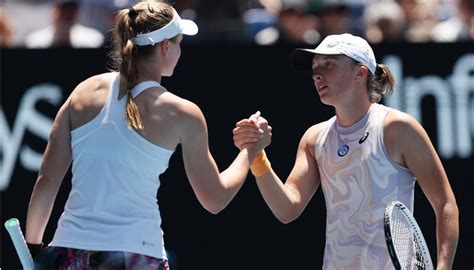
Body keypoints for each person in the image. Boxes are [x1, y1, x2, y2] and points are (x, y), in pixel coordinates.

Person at [24, 1, 271, 269]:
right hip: (138, 254)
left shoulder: (83, 92)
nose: (179, 50)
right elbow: (215, 199)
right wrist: (249, 150)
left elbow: (47, 180)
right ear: (166, 47)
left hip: (69, 252)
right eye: (179, 42)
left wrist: (34, 249)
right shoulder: (183, 113)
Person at [233, 33, 459, 269]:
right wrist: (256, 156)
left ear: (360, 73)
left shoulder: (398, 129)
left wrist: (443, 267)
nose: (317, 74)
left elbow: (445, 203)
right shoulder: (313, 139)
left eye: (329, 64)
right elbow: (287, 208)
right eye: (315, 68)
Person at [24, 0, 104, 48]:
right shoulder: (35, 40)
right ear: (54, 10)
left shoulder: (93, 39)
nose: (67, 14)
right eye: (63, 10)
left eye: (71, 10)